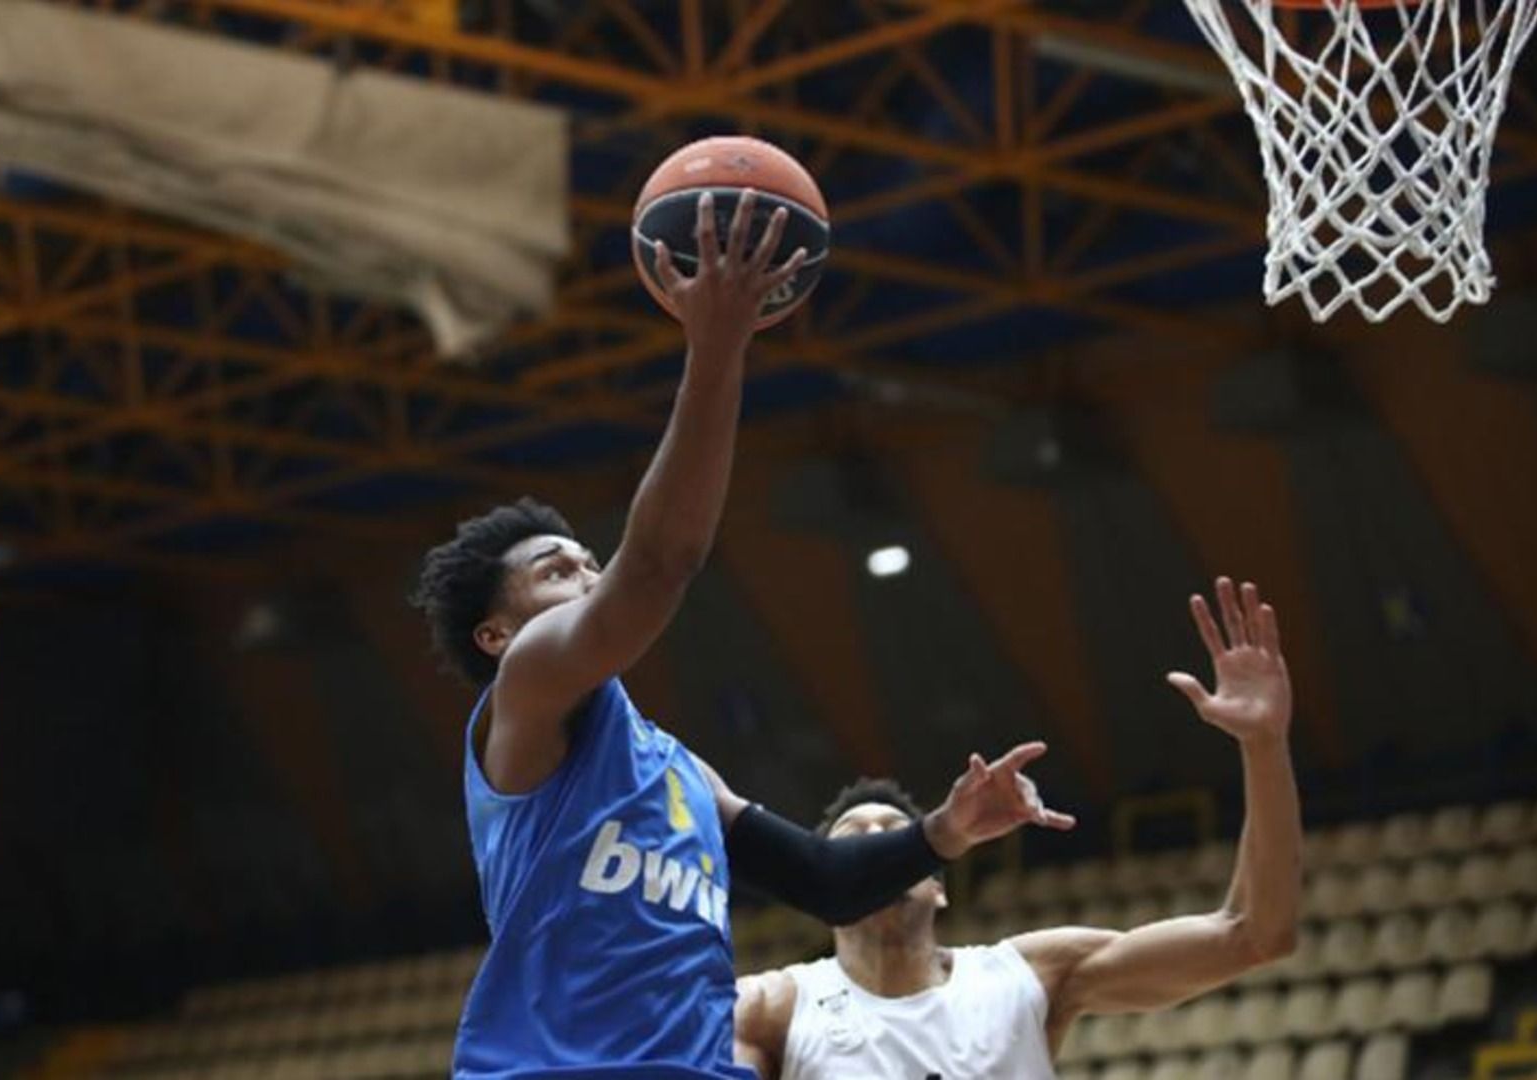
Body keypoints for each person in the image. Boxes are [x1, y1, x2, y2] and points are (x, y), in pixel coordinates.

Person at [410, 191, 1075, 1079]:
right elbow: (659, 565)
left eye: (590, 561)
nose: (590, 576)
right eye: (557, 571)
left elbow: (824, 881)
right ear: (496, 633)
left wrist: (945, 831)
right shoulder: (525, 693)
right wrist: (717, 347)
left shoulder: (678, 773)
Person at [733, 578, 1302, 1080]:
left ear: (937, 886)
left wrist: (1264, 744)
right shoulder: (767, 1009)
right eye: (857, 837)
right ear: (832, 881)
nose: (876, 835)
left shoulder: (1027, 976)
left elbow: (1256, 933)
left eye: (892, 828)